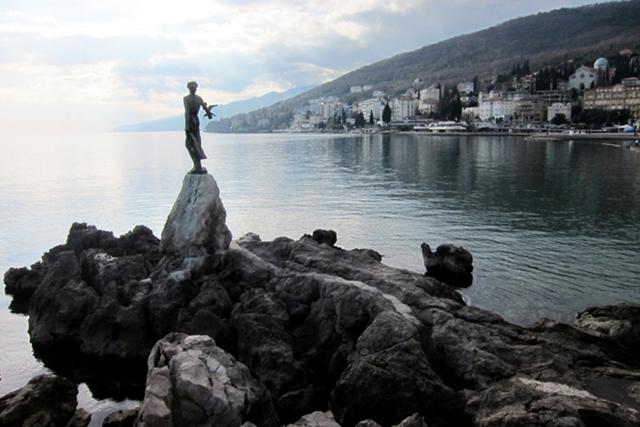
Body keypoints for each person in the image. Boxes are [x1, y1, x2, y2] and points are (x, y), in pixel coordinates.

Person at [184, 81, 217, 174]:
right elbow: (207, 111)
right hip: (196, 121)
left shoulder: (186, 99)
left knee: (190, 144)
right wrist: (209, 112)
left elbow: (187, 112)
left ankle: (197, 166)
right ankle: (198, 165)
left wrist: (187, 125)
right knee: (196, 143)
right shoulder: (199, 99)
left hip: (190, 121)